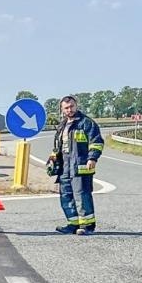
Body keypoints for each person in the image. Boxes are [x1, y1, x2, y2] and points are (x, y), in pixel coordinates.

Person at [47, 95, 104, 234]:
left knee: (81, 195)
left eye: (71, 106)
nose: (69, 110)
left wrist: (92, 158)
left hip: (81, 166)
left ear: (76, 106)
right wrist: (53, 160)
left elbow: (97, 142)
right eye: (66, 108)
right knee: (66, 196)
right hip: (64, 168)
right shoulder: (62, 125)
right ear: (62, 110)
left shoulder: (87, 123)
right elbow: (58, 146)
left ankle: (87, 226)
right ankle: (73, 224)